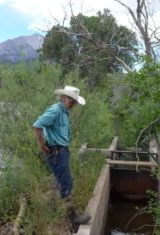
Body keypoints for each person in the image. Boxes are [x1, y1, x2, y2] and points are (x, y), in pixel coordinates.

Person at [33, 85, 91, 229]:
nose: (74, 105)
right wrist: (41, 145)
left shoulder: (64, 112)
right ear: (65, 98)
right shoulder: (56, 110)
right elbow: (37, 125)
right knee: (66, 184)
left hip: (61, 151)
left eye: (75, 103)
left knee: (58, 181)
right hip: (56, 152)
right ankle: (73, 218)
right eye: (73, 102)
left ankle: (51, 210)